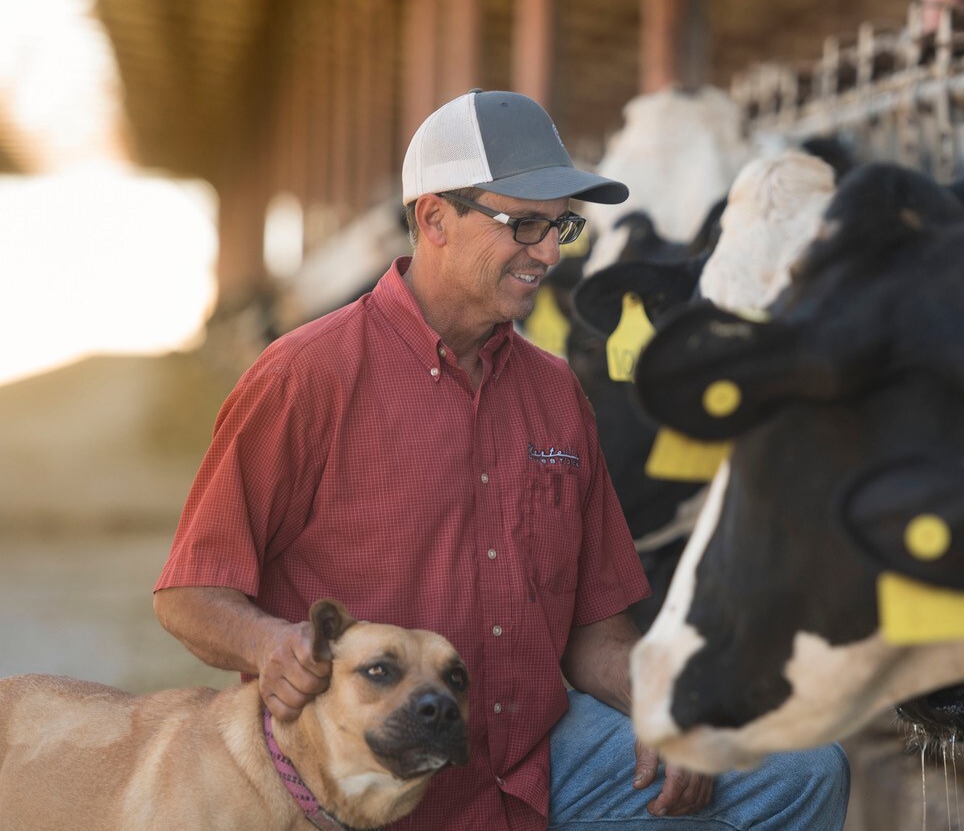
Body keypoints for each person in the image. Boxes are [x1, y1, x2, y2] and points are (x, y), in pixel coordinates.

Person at [154, 89, 849, 831]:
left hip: (531, 762)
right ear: (434, 219)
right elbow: (189, 594)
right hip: (359, 781)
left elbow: (598, 633)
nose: (549, 252)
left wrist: (667, 707)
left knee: (801, 773)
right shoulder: (306, 375)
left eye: (560, 226)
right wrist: (271, 643)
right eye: (523, 224)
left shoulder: (557, 393)